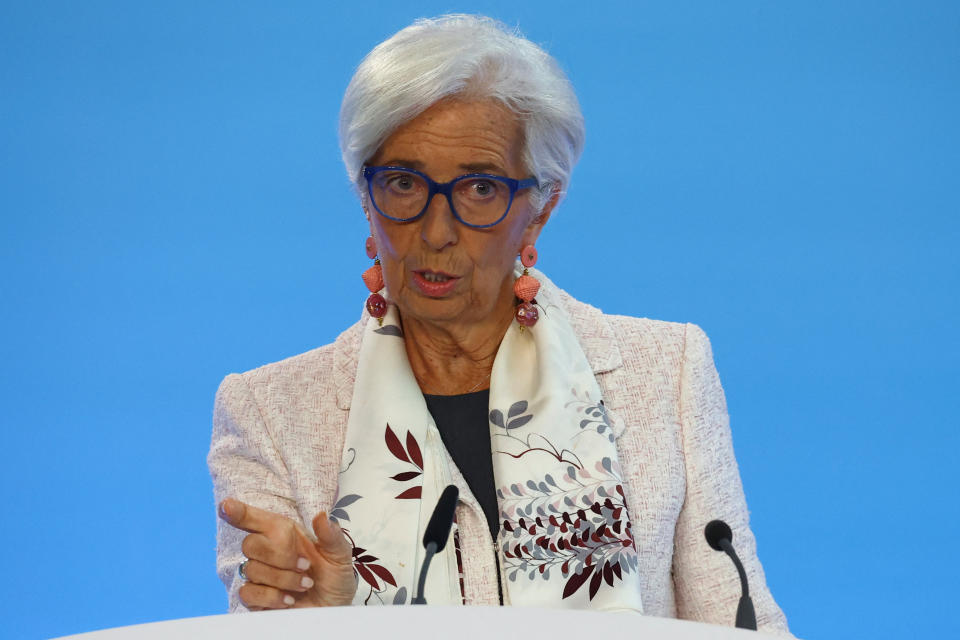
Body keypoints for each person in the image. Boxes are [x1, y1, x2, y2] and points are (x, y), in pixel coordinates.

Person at [208, 14, 791, 633]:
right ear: (364, 196)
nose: (436, 232)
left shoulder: (665, 371)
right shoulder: (268, 414)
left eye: (479, 188)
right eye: (404, 183)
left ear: (540, 210)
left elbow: (742, 623)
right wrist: (318, 622)